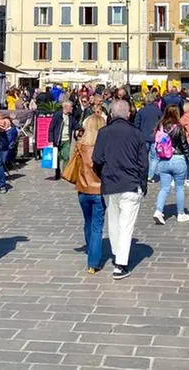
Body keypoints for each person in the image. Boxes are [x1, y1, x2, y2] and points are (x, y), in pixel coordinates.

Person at [92, 100, 148, 280]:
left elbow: (97, 159)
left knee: (114, 222)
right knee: (126, 224)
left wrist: (103, 175)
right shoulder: (137, 133)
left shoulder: (104, 132)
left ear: (112, 114)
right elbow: (143, 163)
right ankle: (121, 264)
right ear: (129, 114)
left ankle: (117, 253)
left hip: (110, 184)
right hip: (130, 183)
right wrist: (143, 185)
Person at [74, 114, 107, 275]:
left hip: (83, 189)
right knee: (97, 227)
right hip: (98, 190)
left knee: (88, 221)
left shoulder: (80, 146)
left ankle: (90, 248)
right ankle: (93, 262)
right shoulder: (104, 147)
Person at [152, 105, 189, 225]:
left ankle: (158, 211)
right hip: (178, 159)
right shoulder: (179, 128)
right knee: (179, 188)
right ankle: (180, 214)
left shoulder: (160, 127)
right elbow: (184, 146)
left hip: (164, 160)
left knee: (164, 188)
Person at [134, 93, 163, 183]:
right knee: (155, 158)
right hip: (155, 137)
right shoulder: (158, 111)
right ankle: (150, 176)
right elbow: (161, 123)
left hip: (143, 137)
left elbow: (136, 124)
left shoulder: (141, 111)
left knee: (143, 157)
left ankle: (142, 174)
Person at [48, 101, 78, 180]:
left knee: (66, 157)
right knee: (57, 158)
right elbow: (51, 128)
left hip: (66, 139)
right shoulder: (57, 115)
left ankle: (65, 173)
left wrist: (79, 129)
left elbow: (75, 125)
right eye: (71, 107)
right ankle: (57, 172)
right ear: (66, 107)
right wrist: (50, 140)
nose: (72, 108)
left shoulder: (71, 116)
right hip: (57, 139)